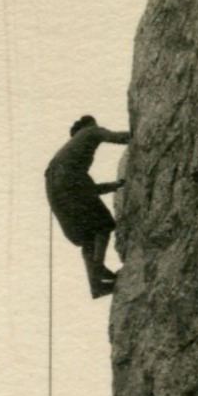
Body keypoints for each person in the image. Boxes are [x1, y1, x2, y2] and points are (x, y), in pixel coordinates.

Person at [45, 116, 130, 298]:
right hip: (70, 182)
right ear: (90, 124)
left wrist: (116, 185)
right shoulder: (90, 130)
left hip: (53, 189)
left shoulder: (66, 156)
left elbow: (89, 190)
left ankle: (96, 286)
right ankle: (97, 270)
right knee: (103, 225)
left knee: (87, 237)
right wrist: (142, 135)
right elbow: (117, 137)